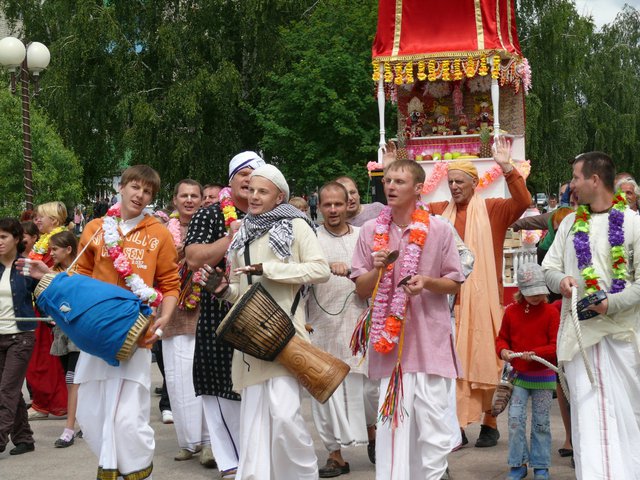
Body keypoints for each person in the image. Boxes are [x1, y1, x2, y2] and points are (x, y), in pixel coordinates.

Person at [28, 165, 181, 479]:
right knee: (91, 413)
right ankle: (116, 466)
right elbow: (79, 279)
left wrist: (164, 318)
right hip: (95, 332)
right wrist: (51, 284)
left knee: (128, 418)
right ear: (121, 188)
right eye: (135, 187)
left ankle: (136, 472)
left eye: (148, 191)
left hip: (135, 331)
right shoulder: (96, 228)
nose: (140, 195)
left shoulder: (159, 233)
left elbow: (170, 283)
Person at [351, 160, 465, 480]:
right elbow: (360, 288)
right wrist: (377, 268)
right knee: (393, 432)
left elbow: (455, 282)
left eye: (399, 181)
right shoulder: (371, 232)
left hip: (430, 342)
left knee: (433, 428)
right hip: (392, 350)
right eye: (387, 180)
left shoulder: (439, 229)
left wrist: (426, 282)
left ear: (418, 189)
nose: (390, 186)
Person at [216, 164, 331, 479]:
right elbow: (240, 290)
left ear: (280, 196)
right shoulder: (241, 232)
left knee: (284, 417)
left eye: (262, 191)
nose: (254, 196)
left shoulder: (296, 227)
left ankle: (302, 475)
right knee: (254, 421)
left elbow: (320, 270)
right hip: (251, 339)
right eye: (251, 190)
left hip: (285, 337)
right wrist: (223, 290)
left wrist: (269, 269)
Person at [542, 152, 640, 479]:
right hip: (579, 339)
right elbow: (550, 268)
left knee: (624, 417)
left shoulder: (633, 223)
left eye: (576, 177)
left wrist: (610, 304)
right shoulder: (570, 223)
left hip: (621, 337)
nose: (572, 184)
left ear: (595, 180)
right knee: (587, 419)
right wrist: (563, 281)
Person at [427, 137, 530, 447]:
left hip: (484, 302)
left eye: (460, 181)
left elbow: (523, 202)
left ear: (474, 183)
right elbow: (408, 213)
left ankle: (490, 421)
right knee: (453, 367)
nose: (455, 187)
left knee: (487, 361)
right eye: (451, 182)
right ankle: (454, 426)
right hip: (447, 302)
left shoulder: (493, 210)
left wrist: (506, 167)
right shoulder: (436, 211)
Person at [184, 151, 266, 479]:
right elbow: (193, 259)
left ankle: (258, 457)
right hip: (219, 313)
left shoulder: (272, 214)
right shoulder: (210, 215)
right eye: (242, 173)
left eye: (255, 173)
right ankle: (231, 462)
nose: (248, 179)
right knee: (219, 386)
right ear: (231, 180)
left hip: (262, 314)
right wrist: (231, 237)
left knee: (259, 387)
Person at [307, 181, 378, 477]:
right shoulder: (310, 239)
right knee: (325, 392)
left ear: (349, 203)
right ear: (320, 207)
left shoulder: (364, 236)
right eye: (328, 205)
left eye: (339, 203)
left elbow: (378, 276)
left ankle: (375, 437)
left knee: (368, 390)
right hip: (321, 327)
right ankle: (335, 455)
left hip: (358, 323)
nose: (334, 210)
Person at [161, 179, 215, 467]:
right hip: (172, 313)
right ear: (175, 199)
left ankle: (208, 442)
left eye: (195, 195)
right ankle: (187, 441)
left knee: (203, 378)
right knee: (177, 379)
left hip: (204, 310)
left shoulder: (209, 226)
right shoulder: (162, 231)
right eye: (185, 196)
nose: (190, 200)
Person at [495, 263, 560, 480]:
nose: (536, 296)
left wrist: (535, 353)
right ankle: (518, 463)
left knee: (541, 421)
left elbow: (555, 346)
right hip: (518, 376)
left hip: (543, 376)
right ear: (521, 290)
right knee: (514, 419)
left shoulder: (551, 312)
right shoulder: (511, 312)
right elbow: (502, 337)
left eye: (539, 291)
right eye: (530, 292)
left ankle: (541, 465)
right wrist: (503, 349)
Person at [26, 202, 69, 420]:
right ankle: (42, 402)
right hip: (38, 305)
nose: (37, 221)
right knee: (39, 357)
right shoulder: (44, 242)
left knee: (47, 358)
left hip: (50, 308)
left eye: (41, 217)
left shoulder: (59, 242)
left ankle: (54, 403)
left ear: (54, 219)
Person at [0, 218, 37, 456]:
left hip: (21, 337)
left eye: (3, 237)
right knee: (8, 390)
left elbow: (46, 293)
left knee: (7, 390)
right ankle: (24, 438)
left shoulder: (27, 266)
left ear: (16, 238)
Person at [47, 230, 82, 448]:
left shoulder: (81, 271)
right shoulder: (52, 272)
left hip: (78, 333)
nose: (51, 253)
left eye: (55, 249)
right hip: (60, 332)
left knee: (73, 379)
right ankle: (83, 422)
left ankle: (69, 428)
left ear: (68, 249)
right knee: (70, 379)